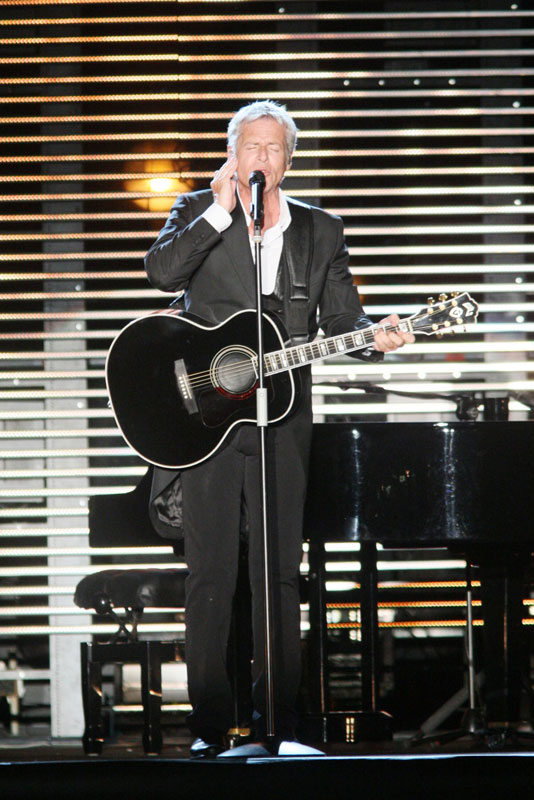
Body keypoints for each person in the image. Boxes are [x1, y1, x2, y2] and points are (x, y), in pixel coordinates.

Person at [144, 100, 414, 757]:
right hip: (207, 419)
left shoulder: (320, 230)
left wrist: (376, 336)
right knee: (211, 574)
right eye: (251, 147)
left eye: (273, 149)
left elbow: (343, 319)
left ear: (289, 162)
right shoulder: (197, 211)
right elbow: (162, 273)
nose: (261, 158)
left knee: (279, 575)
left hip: (282, 415)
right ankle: (211, 728)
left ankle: (280, 727)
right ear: (231, 155)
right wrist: (219, 212)